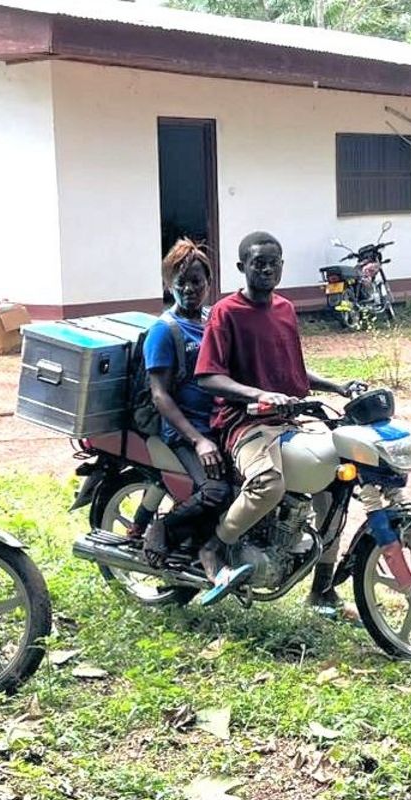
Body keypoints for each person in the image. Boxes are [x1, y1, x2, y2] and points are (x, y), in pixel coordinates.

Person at [196, 231, 364, 612]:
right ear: (242, 267)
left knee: (335, 488)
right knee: (267, 484)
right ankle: (216, 543)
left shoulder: (285, 309)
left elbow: (296, 373)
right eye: (258, 262)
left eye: (274, 261)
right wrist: (258, 394)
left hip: (288, 421)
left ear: (282, 266)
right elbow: (208, 376)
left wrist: (338, 385)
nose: (267, 268)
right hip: (243, 422)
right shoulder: (227, 312)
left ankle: (322, 588)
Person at [141, 239, 237, 602]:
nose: (188, 289)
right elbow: (160, 395)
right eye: (179, 281)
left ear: (208, 282)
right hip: (185, 431)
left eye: (196, 281)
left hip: (223, 423)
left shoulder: (215, 319)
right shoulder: (165, 331)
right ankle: (162, 529)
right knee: (216, 490)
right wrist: (198, 439)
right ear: (168, 284)